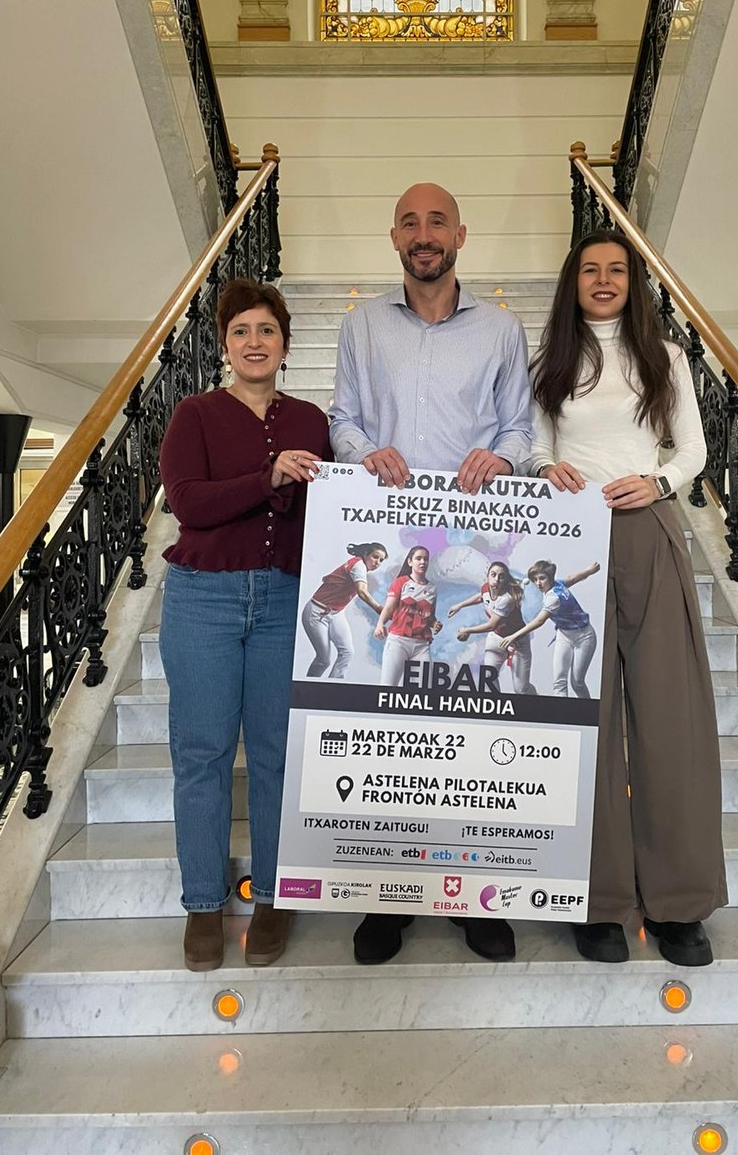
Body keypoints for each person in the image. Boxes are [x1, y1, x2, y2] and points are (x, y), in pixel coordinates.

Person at [330, 181, 532, 966]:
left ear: (461, 235)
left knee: (467, 726)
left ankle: (475, 895)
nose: (424, 234)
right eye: (410, 222)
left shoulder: (504, 329)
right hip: (390, 533)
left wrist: (505, 456)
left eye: (437, 221)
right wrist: (360, 450)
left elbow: (518, 423)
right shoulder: (360, 326)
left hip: (475, 543)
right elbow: (344, 416)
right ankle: (389, 898)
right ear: (393, 238)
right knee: (394, 728)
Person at [530, 228, 727, 969]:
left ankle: (679, 902)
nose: (604, 280)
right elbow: (532, 442)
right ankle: (598, 899)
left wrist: (659, 482)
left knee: (667, 719)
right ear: (573, 281)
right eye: (591, 269)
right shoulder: (549, 361)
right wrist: (547, 468)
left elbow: (694, 449)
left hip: (647, 532)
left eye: (617, 269)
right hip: (570, 542)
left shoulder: (664, 356)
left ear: (631, 283)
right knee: (588, 719)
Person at [159, 279, 330, 973]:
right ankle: (203, 901)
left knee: (276, 753)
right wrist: (269, 478)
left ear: (285, 345)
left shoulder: (313, 421)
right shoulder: (194, 414)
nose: (254, 342)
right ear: (224, 344)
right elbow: (187, 503)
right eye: (241, 331)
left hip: (286, 599)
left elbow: (323, 514)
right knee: (200, 752)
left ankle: (273, 896)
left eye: (266, 330)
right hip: (203, 598)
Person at [505, 559, 601, 697]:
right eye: (535, 579)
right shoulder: (557, 584)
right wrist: (589, 571)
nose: (538, 583)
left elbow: (539, 620)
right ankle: (562, 715)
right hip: (564, 635)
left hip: (584, 636)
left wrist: (513, 636)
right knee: (559, 682)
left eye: (542, 578)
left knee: (577, 682)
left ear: (550, 577)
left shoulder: (553, 597)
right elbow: (572, 578)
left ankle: (587, 714)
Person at [447, 560, 536, 694]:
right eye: (493, 575)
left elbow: (491, 625)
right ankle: (498, 709)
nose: (496, 579)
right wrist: (459, 605)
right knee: (488, 677)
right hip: (496, 639)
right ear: (488, 577)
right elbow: (481, 597)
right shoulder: (486, 588)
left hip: (517, 641)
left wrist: (467, 630)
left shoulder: (507, 599)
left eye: (501, 576)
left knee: (521, 689)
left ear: (506, 580)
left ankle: (536, 704)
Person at [301, 541, 388, 677]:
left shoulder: (361, 567)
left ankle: (332, 688)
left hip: (336, 613)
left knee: (347, 652)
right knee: (323, 660)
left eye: (381, 560)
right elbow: (362, 592)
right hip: (316, 613)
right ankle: (309, 689)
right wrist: (378, 608)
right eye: (375, 557)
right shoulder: (358, 566)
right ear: (366, 554)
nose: (377, 562)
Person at [375, 545, 441, 685]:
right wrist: (380, 624)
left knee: (423, 690)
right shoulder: (401, 582)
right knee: (387, 687)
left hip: (422, 645)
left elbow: (429, 617)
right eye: (418, 558)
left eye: (426, 559)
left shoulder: (432, 589)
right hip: (399, 642)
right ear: (410, 562)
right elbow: (389, 608)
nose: (423, 562)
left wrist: (434, 623)